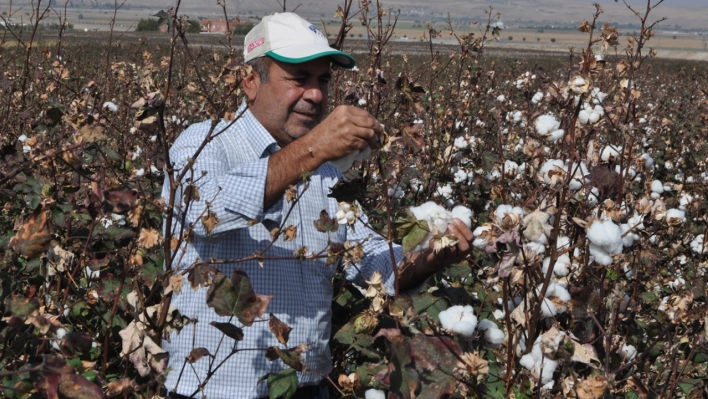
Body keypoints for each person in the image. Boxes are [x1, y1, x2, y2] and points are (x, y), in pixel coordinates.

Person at [162, 12, 475, 399]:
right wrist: (313, 149)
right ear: (249, 81)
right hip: (218, 388)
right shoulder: (206, 144)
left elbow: (369, 258)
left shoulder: (323, 172)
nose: (315, 94)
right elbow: (206, 211)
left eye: (323, 80)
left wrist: (429, 256)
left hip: (308, 387)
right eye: (298, 78)